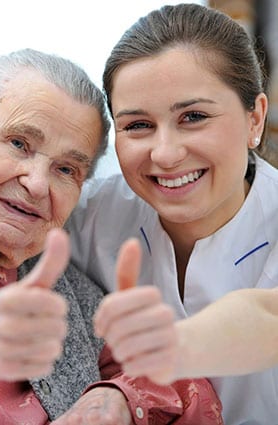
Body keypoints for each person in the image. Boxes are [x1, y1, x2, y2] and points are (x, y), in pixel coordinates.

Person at [0, 48, 222, 425]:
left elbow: (183, 379)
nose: (38, 184)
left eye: (66, 169)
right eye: (18, 143)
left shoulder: (61, 289)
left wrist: (117, 400)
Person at [67, 3, 278, 425]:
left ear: (254, 117)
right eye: (138, 125)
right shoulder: (89, 215)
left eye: (194, 117)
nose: (165, 154)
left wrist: (171, 349)